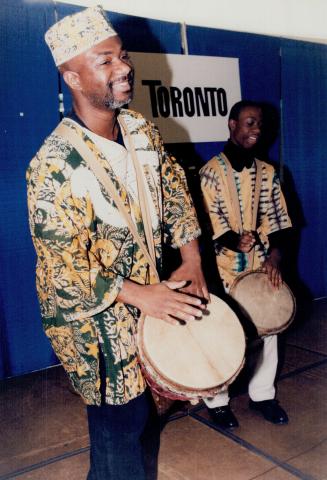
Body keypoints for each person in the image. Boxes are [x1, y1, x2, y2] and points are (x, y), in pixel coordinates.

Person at [26, 6, 209, 479]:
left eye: (122, 56)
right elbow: (61, 271)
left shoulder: (140, 130)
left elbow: (173, 187)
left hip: (147, 301)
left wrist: (192, 258)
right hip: (93, 322)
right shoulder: (53, 165)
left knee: (139, 425)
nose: (124, 67)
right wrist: (140, 294)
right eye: (104, 60)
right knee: (121, 430)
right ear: (72, 77)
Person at [199, 100, 292, 429]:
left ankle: (263, 395)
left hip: (259, 266)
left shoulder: (268, 174)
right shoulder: (210, 173)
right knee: (221, 333)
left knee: (270, 327)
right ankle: (217, 401)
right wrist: (231, 240)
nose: (256, 130)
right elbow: (209, 223)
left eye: (260, 125)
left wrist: (276, 258)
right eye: (249, 123)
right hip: (220, 270)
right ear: (232, 124)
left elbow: (279, 222)